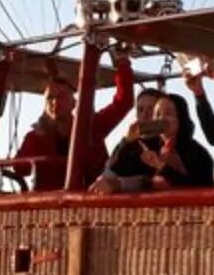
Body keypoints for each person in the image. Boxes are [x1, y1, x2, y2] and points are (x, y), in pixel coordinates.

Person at [8, 53, 135, 191]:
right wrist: (37, 138)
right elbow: (20, 170)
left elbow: (124, 102)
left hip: (91, 199)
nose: (55, 102)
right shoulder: (35, 136)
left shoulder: (91, 127)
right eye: (50, 98)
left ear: (74, 103)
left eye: (61, 96)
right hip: (50, 204)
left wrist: (122, 64)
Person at [92, 93, 214, 194]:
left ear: (180, 118)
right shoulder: (147, 149)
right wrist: (127, 141)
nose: (161, 119)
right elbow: (115, 170)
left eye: (168, 114)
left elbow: (200, 186)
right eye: (157, 114)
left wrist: (161, 166)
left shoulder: (197, 152)